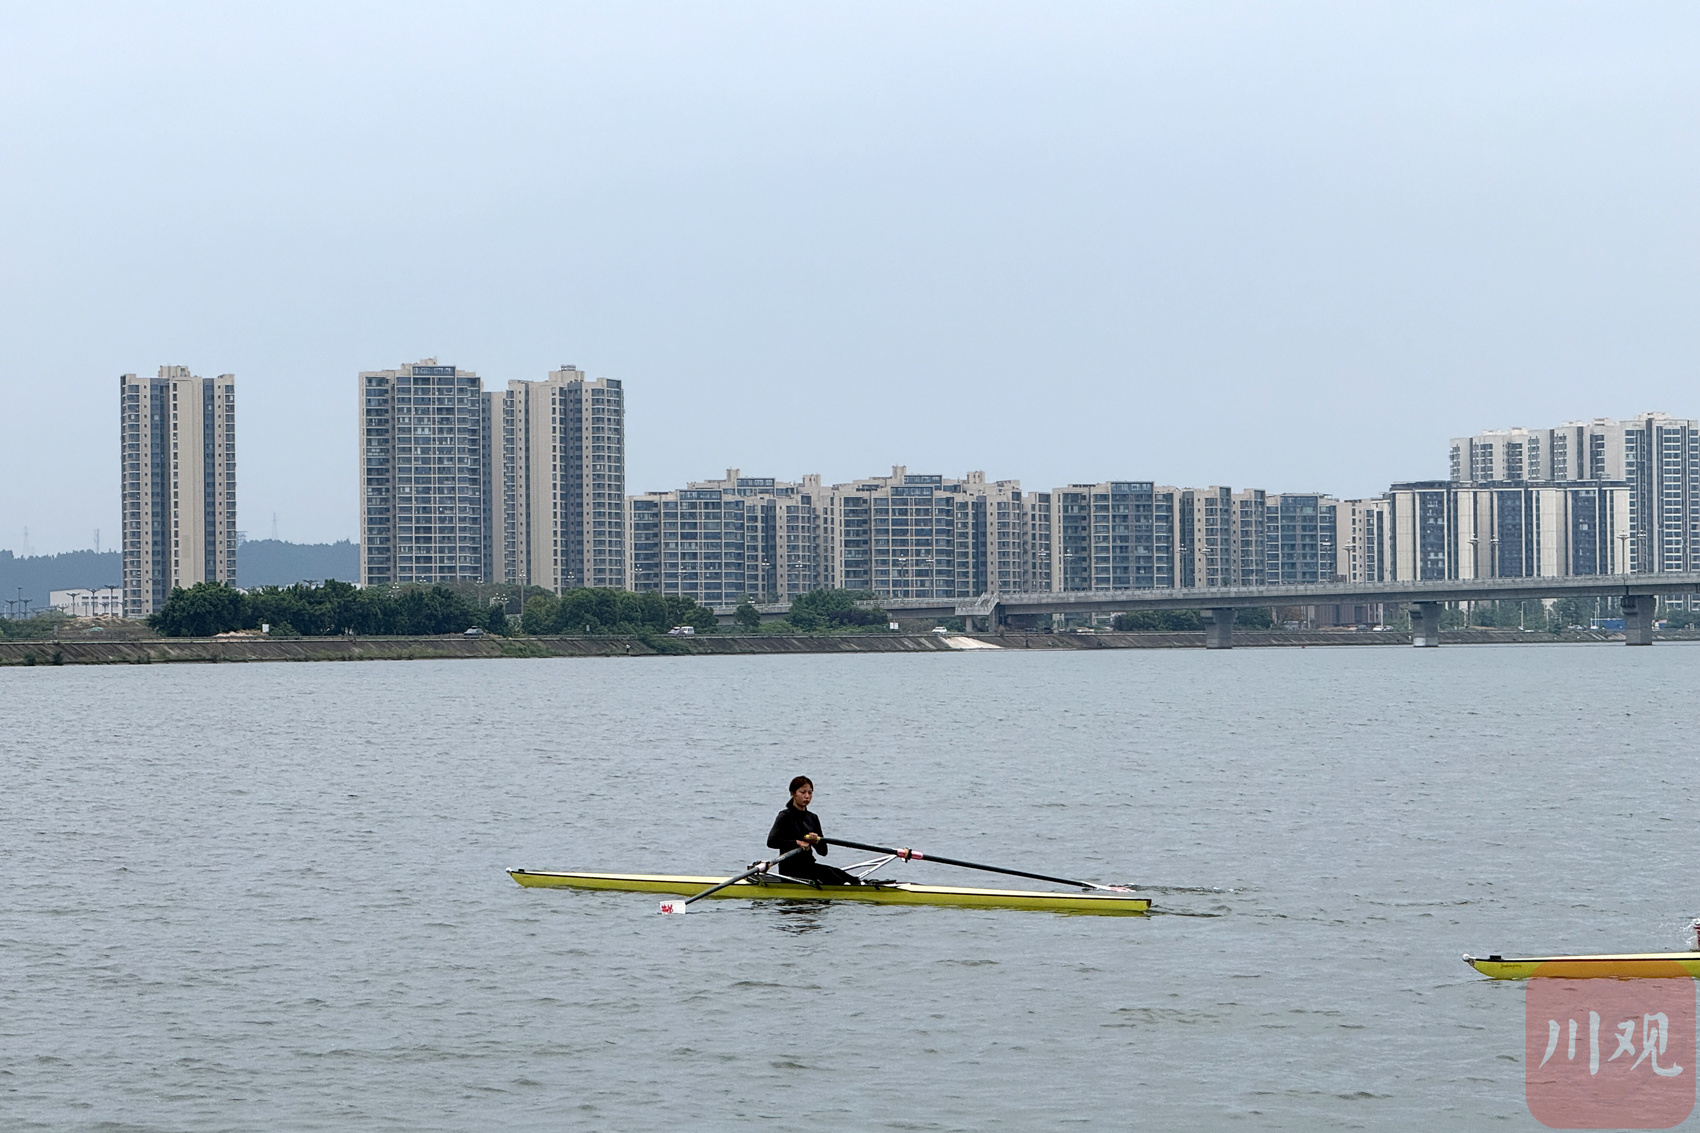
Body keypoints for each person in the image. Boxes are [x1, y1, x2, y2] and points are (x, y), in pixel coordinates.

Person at [766, 775, 860, 886]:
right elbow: (771, 842)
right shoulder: (785, 816)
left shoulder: (813, 817)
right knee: (830, 875)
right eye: (803, 792)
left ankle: (860, 884)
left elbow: (823, 852)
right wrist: (797, 842)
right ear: (793, 793)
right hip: (790, 871)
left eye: (810, 793)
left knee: (842, 875)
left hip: (809, 866)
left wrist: (816, 842)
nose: (807, 796)